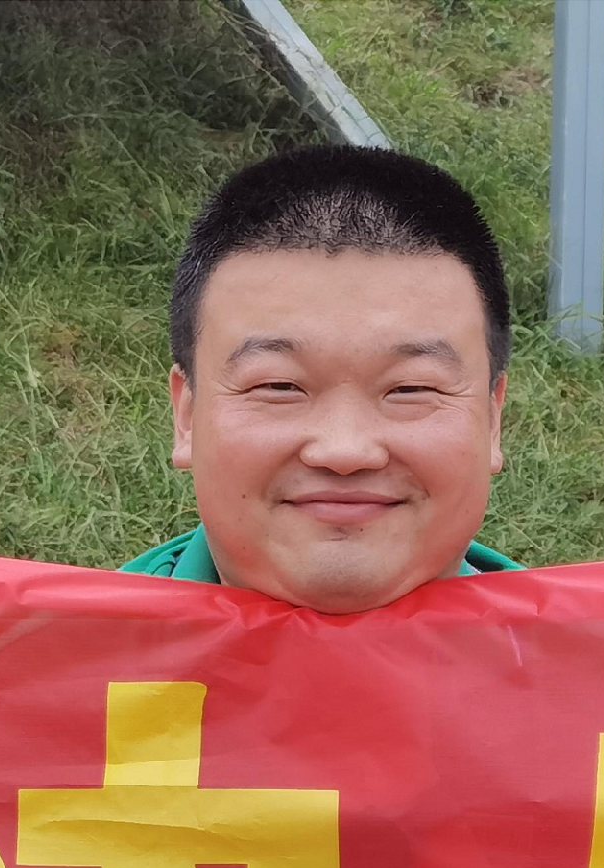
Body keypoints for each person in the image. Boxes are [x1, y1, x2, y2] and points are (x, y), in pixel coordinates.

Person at [122, 145, 522, 614]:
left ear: (492, 421)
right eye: (278, 387)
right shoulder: (71, 653)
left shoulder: (578, 656)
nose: (344, 451)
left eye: (411, 389)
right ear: (186, 416)